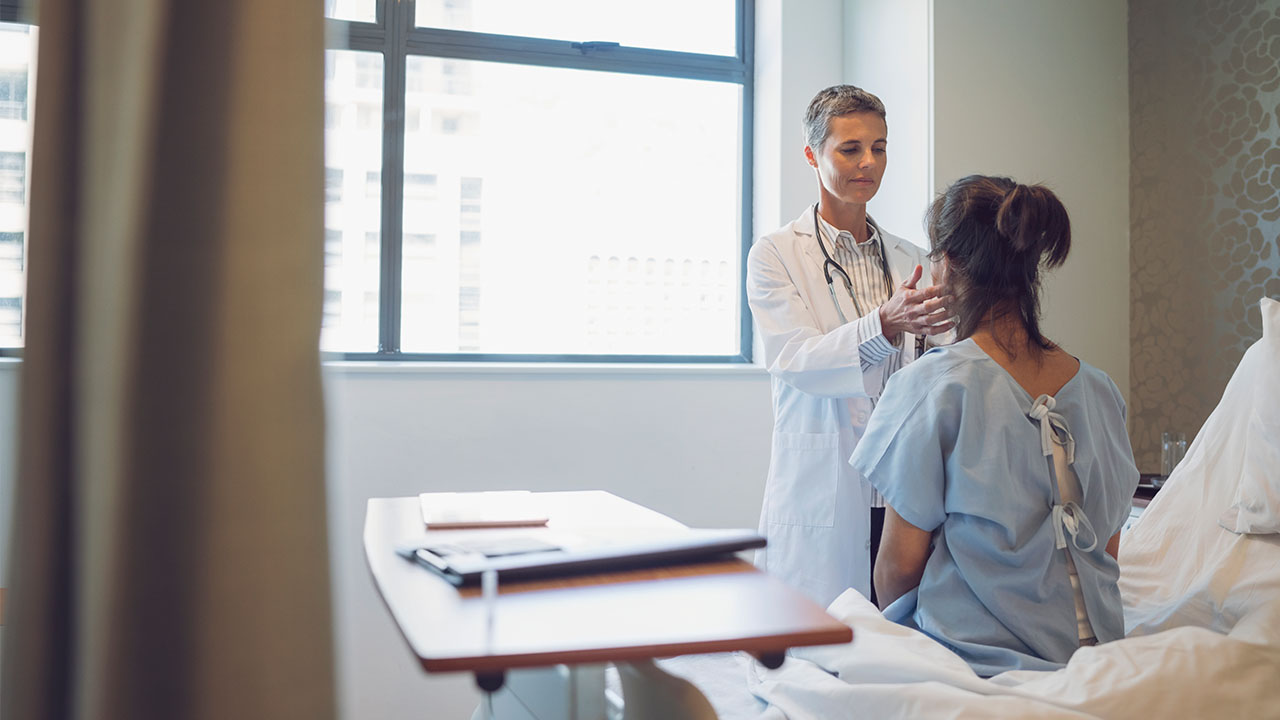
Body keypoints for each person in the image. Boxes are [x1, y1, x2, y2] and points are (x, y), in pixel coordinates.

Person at [849, 175, 1140, 676]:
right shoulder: (1100, 390)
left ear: (948, 263)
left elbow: (896, 570)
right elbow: (1106, 548)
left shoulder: (931, 386)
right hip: (1099, 661)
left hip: (981, 665)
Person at [746, 85, 953, 609]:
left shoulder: (913, 259)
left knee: (900, 635)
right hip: (828, 487)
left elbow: (944, 365)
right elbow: (795, 360)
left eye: (879, 148)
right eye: (851, 149)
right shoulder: (775, 255)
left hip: (903, 489)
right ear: (812, 154)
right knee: (824, 638)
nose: (869, 163)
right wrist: (883, 325)